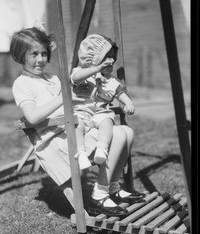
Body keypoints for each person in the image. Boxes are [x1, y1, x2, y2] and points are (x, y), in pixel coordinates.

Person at [10, 24, 145, 218]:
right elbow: (32, 117)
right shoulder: (23, 84)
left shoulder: (53, 78)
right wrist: (65, 97)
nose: (40, 59)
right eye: (33, 55)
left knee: (126, 132)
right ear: (20, 55)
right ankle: (101, 193)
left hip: (74, 126)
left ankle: (110, 188)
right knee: (116, 134)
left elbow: (74, 96)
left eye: (44, 53)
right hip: (54, 137)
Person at [71, 34, 135, 170]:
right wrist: (96, 69)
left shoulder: (112, 81)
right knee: (78, 125)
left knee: (107, 122)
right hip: (82, 112)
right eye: (107, 57)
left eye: (113, 57)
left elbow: (121, 93)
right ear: (93, 59)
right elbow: (75, 78)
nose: (112, 60)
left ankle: (102, 149)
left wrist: (129, 104)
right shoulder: (82, 73)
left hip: (100, 113)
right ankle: (81, 153)